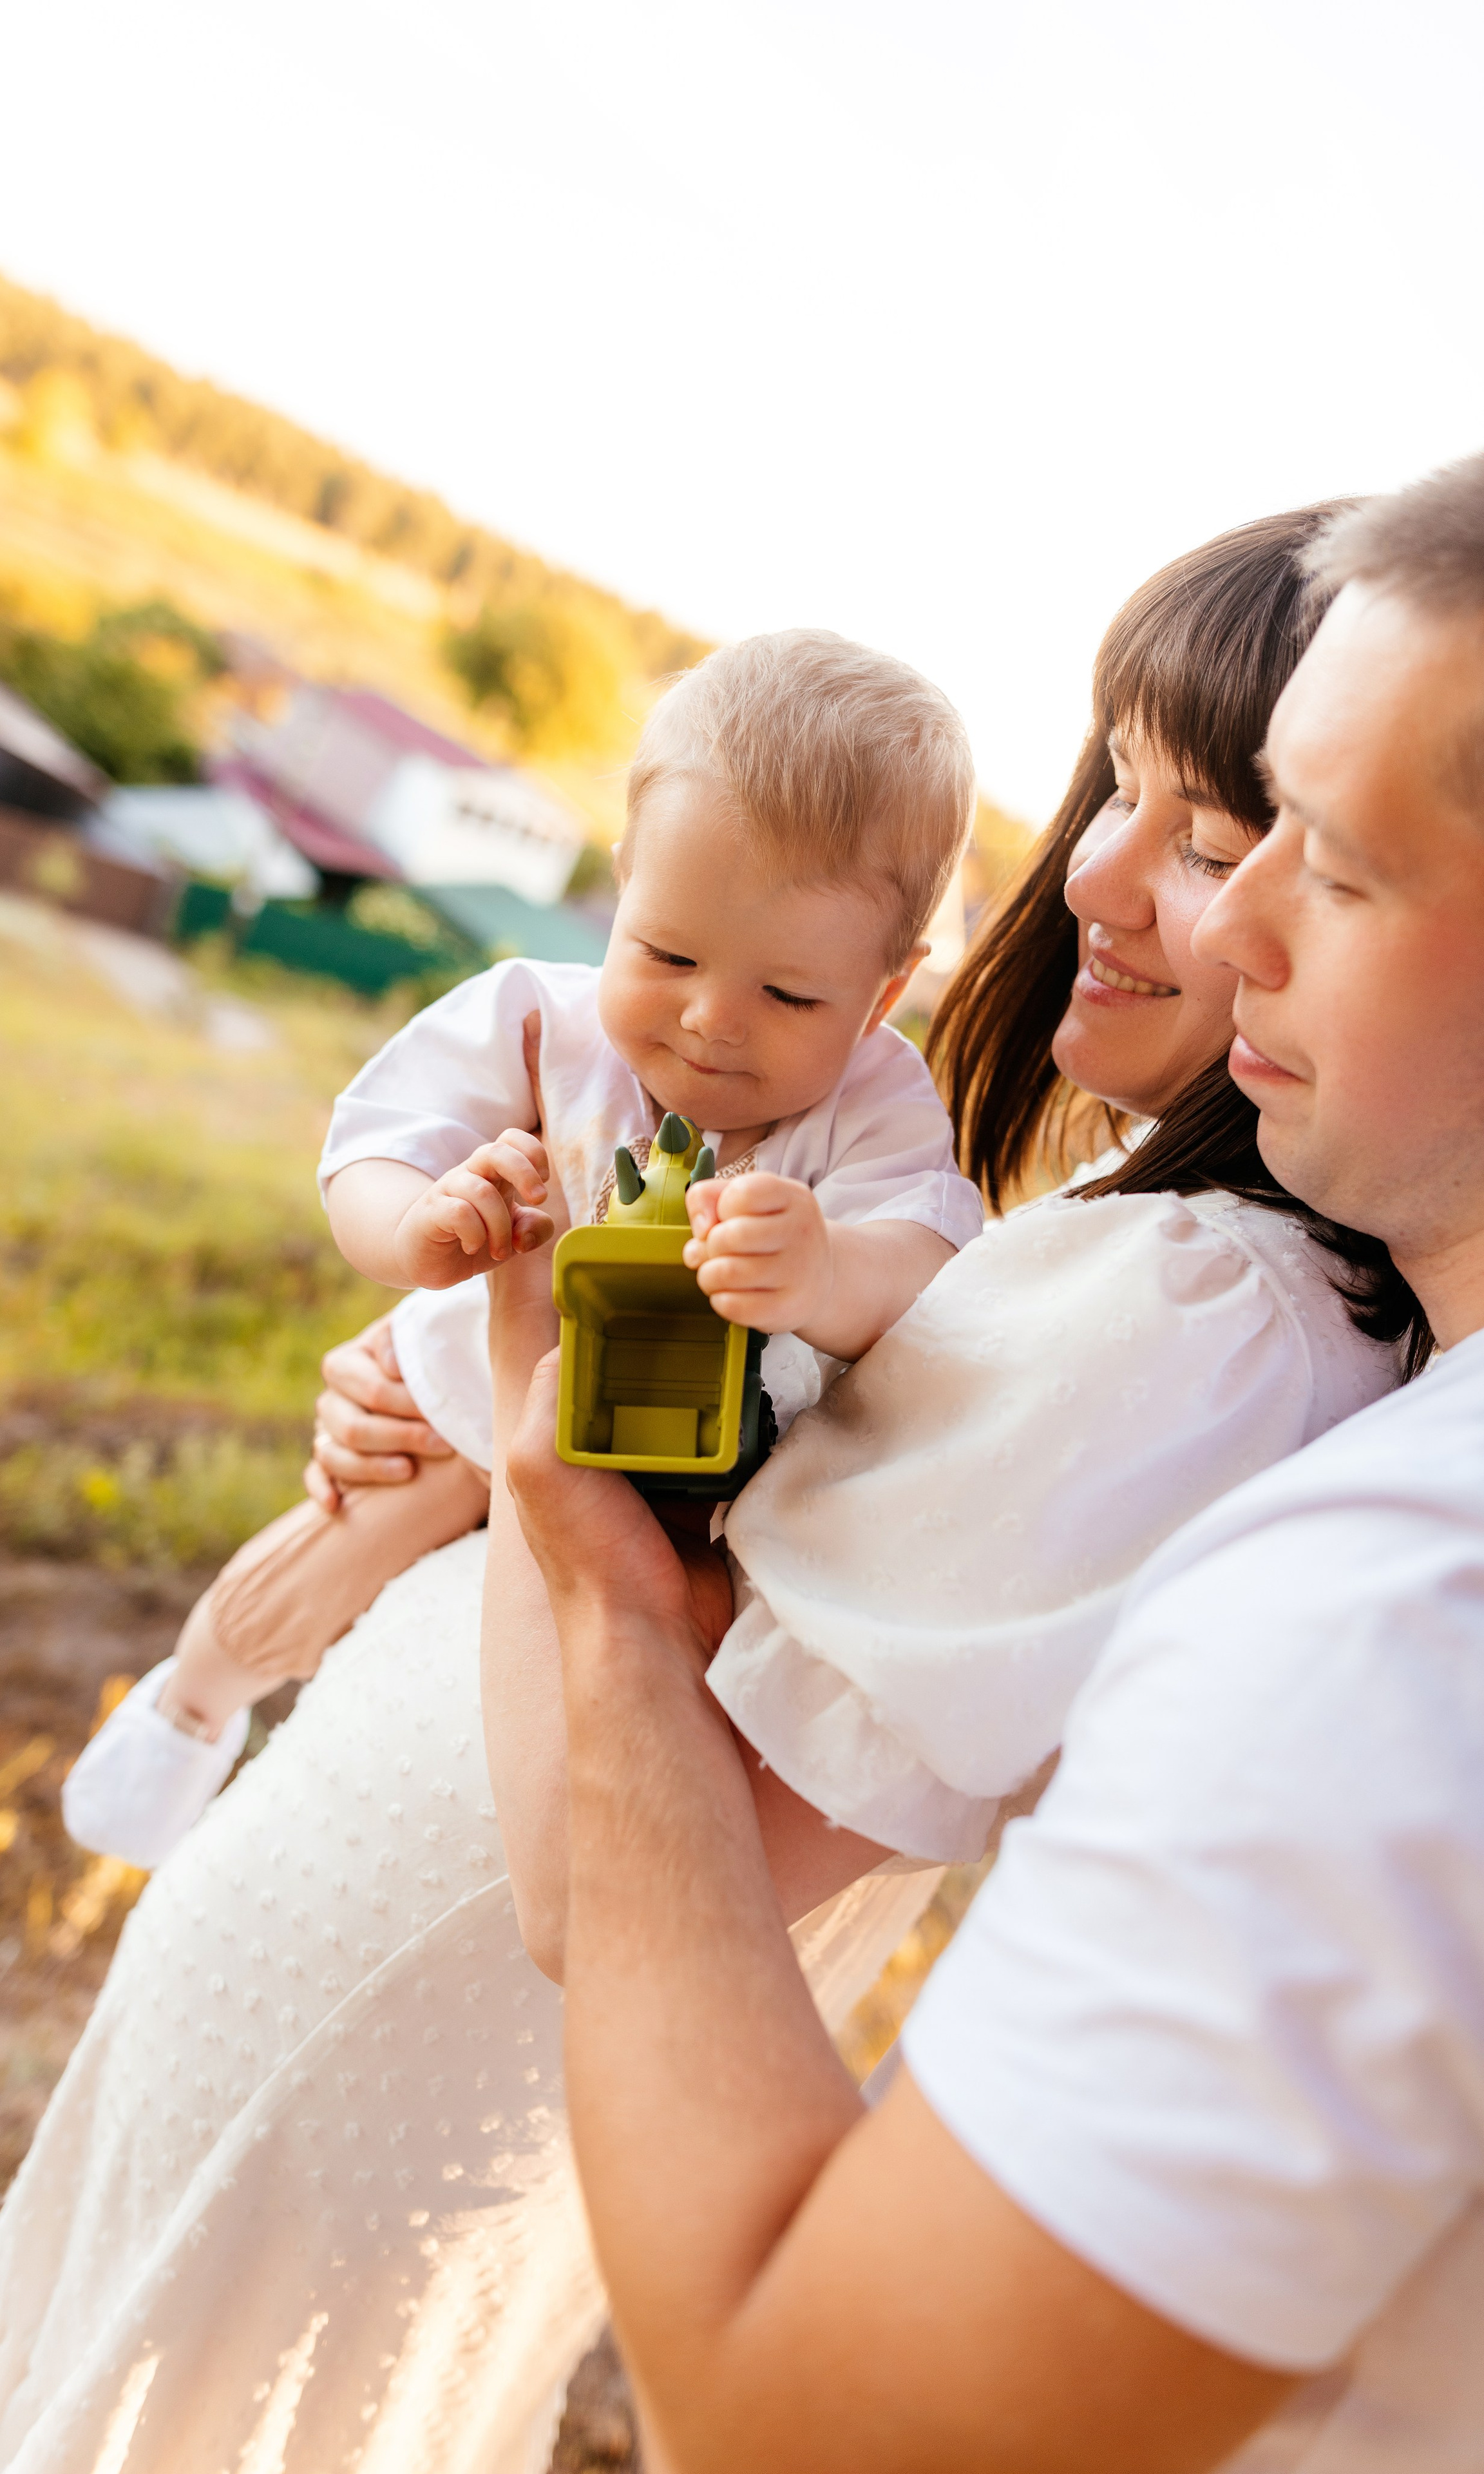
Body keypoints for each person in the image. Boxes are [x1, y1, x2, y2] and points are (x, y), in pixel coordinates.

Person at [0, 505, 1411, 2474]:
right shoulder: (1141, 1222)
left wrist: (525, 1389)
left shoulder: (1211, 1306)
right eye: (1117, 782)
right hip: (363, 1929)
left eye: (1212, 837)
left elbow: (621, 1863)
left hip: (422, 2008)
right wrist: (464, 1398)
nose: (1106, 872)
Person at [503, 454, 1484, 2473]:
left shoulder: (1390, 1620)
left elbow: (807, 2429)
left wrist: (597, 1590)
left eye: (1327, 857)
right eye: (1244, 820)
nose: (1217, 921)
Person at [63, 631, 983, 1869]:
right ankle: (194, 1704)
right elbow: (372, 1146)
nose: (712, 1021)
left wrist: (826, 1273)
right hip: (458, 1416)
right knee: (320, 1567)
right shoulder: (540, 1024)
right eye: (668, 954)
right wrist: (423, 1230)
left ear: (882, 992)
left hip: (682, 1494)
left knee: (552, 1714)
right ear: (621, 887)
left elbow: (923, 1261)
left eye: (792, 997)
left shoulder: (875, 1105)